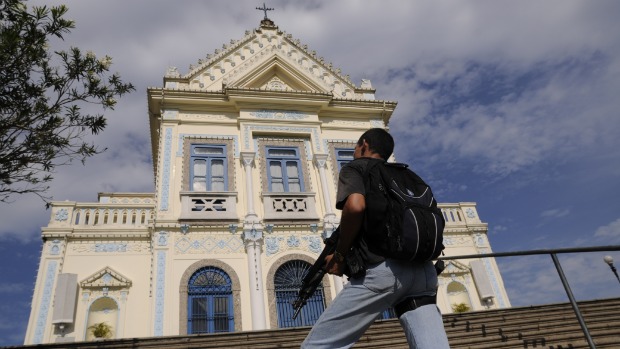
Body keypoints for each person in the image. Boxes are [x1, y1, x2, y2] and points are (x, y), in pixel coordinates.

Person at [301, 128, 451, 349]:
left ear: (364, 144)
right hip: (424, 274)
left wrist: (340, 255)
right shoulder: (409, 175)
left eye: (355, 147)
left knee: (318, 346)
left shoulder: (356, 168)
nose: (353, 151)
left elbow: (355, 206)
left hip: (384, 271)